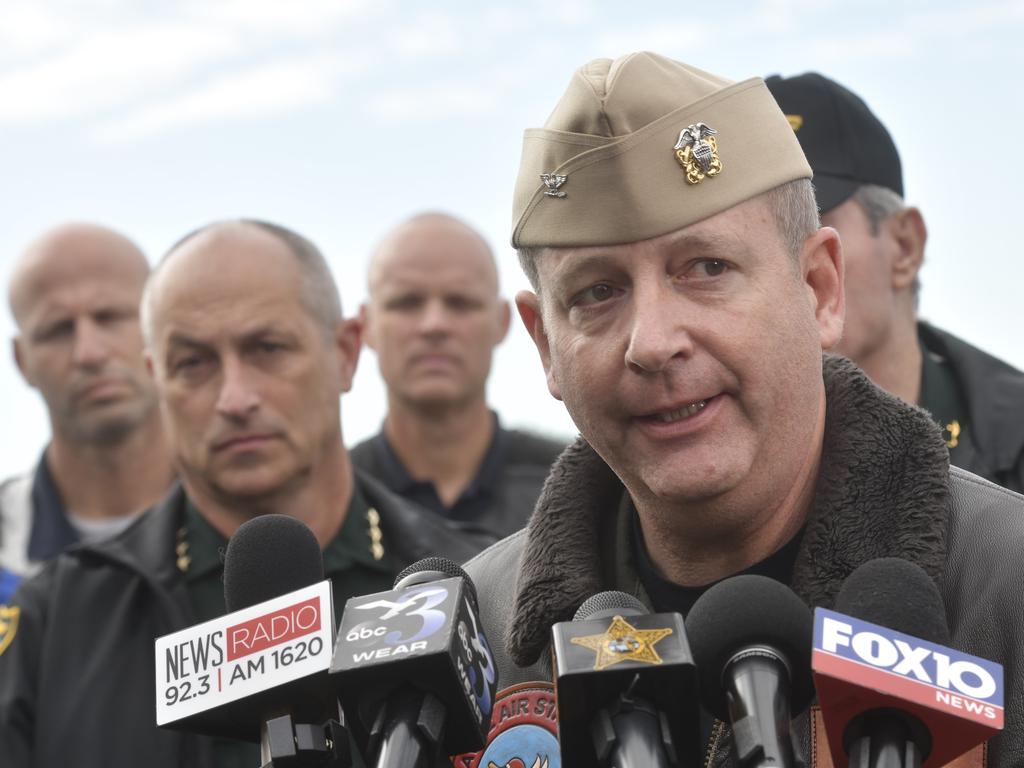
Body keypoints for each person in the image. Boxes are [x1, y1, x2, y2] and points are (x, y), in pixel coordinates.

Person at [462, 52, 1024, 767]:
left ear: (819, 288)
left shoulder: (1004, 591)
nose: (654, 343)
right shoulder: (475, 643)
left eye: (707, 268)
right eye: (597, 293)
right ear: (546, 344)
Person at [0, 220, 485, 768]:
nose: (235, 397)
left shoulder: (476, 582)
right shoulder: (58, 620)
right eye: (193, 363)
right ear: (155, 377)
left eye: (267, 348)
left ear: (346, 352)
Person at [765, 72, 1024, 492]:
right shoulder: (709, 464)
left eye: (809, 228)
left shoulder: (1013, 447)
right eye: (755, 242)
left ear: (905, 245)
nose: (781, 267)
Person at [352, 212, 564, 543]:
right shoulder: (330, 503)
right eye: (407, 303)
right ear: (365, 326)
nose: (434, 325)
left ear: (503, 322)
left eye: (460, 303)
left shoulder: (577, 489)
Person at [1, 223, 175, 602]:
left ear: (160, 327)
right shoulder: (6, 549)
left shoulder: (253, 511)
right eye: (58, 329)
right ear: (21, 360)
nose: (89, 353)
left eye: (110, 317)